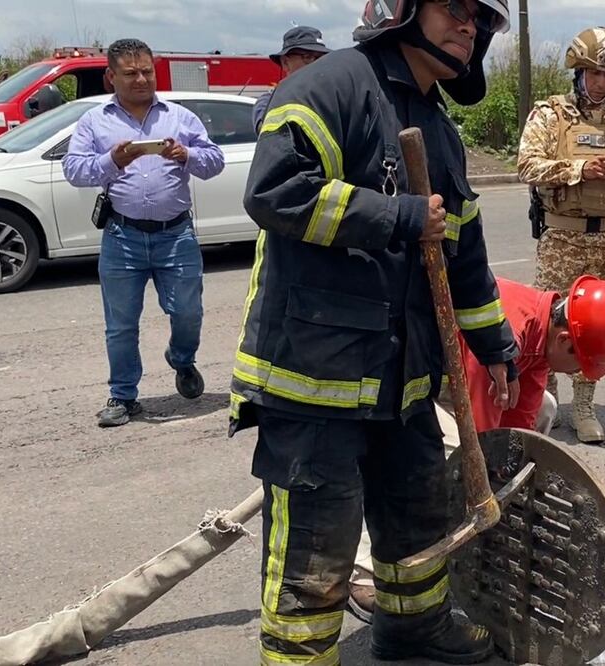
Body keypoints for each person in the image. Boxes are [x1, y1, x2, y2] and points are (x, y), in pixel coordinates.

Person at [229, 1, 514, 663]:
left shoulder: (438, 128)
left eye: (479, 16)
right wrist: (397, 215)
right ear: (399, 10)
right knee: (316, 544)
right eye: (453, 7)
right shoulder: (328, 87)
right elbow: (273, 192)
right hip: (312, 377)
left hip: (402, 379)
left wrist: (493, 339)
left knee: (416, 514)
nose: (469, 24)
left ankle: (414, 628)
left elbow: (462, 251)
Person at [346, 274, 605, 620]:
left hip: (442, 374)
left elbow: (522, 420)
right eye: (581, 364)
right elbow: (478, 429)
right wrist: (483, 487)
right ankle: (364, 570)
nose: (578, 372)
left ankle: (463, 524)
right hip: (391, 377)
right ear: (564, 340)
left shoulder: (541, 332)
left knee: (546, 406)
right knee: (448, 452)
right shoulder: (509, 329)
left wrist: (509, 474)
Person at [63, 38, 225, 428]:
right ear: (110, 77)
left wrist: (187, 155)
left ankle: (182, 360)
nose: (141, 79)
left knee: (188, 312)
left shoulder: (179, 117)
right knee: (120, 324)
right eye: (131, 73)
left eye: (147, 71)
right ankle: (123, 396)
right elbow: (73, 170)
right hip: (122, 237)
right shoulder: (95, 121)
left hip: (176, 236)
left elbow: (214, 161)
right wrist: (112, 160)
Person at [517, 26, 605, 445]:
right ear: (579, 72)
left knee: (596, 328)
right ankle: (541, 403)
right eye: (596, 74)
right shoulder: (551, 114)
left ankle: (582, 406)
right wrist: (580, 169)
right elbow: (527, 165)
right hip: (563, 236)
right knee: (548, 322)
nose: (602, 83)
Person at [253, 26, 331, 132]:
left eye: (320, 58)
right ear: (285, 63)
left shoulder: (331, 98)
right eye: (308, 57)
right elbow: (267, 133)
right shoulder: (266, 102)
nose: (316, 64)